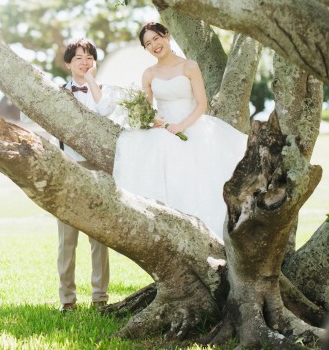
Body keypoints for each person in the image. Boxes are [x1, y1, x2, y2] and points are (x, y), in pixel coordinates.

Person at [113, 22, 248, 239]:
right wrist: (152, 120)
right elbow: (146, 110)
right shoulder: (149, 74)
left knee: (200, 182)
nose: (154, 45)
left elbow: (202, 105)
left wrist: (181, 127)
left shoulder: (189, 66)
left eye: (156, 38)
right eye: (148, 43)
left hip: (192, 126)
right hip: (163, 131)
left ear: (166, 36)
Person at [56, 38, 115, 312]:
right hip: (68, 168)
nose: (84, 62)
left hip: (98, 170)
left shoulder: (103, 92)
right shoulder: (57, 93)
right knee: (67, 240)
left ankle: (100, 298)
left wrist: (91, 81)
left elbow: (106, 112)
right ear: (68, 63)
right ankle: (67, 300)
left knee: (99, 238)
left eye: (89, 57)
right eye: (79, 58)